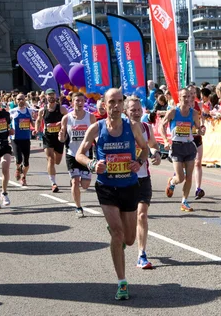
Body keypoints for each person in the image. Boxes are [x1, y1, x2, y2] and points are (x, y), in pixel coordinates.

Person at [75, 88, 149, 300]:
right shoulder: (96, 128)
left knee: (130, 239)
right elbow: (80, 154)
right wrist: (91, 164)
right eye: (112, 102)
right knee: (117, 235)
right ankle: (122, 282)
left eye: (119, 102)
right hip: (107, 187)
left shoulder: (133, 126)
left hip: (129, 186)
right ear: (104, 105)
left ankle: (117, 229)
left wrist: (139, 162)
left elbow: (145, 149)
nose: (116, 106)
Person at [124, 95, 161, 269]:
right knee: (127, 218)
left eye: (139, 109)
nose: (137, 113)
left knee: (142, 215)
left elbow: (153, 144)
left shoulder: (147, 127)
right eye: (133, 110)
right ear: (126, 112)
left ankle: (141, 255)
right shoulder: (122, 129)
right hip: (125, 179)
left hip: (143, 177)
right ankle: (122, 235)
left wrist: (156, 153)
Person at [159, 88, 202, 212]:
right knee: (180, 178)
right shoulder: (173, 112)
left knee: (189, 177)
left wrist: (201, 130)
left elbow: (198, 129)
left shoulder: (194, 113)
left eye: (189, 96)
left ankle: (184, 201)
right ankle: (172, 181)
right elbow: (162, 125)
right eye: (184, 97)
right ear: (179, 98)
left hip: (189, 146)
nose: (188, 99)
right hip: (176, 147)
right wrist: (166, 141)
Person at [58, 92, 96, 217]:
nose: (79, 103)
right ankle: (78, 207)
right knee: (75, 181)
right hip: (71, 153)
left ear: (84, 102)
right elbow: (62, 137)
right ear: (72, 102)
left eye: (81, 100)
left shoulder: (90, 117)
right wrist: (61, 137)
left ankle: (76, 181)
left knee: (85, 185)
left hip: (86, 155)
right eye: (77, 101)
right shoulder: (66, 118)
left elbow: (96, 136)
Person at [35, 88, 68, 193]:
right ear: (46, 97)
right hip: (47, 137)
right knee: (50, 159)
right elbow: (38, 120)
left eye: (53, 95)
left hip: (59, 136)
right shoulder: (42, 110)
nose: (51, 97)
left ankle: (56, 157)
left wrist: (61, 125)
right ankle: (53, 183)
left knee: (57, 161)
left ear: (56, 96)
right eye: (49, 95)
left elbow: (68, 120)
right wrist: (36, 130)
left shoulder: (62, 109)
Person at [10, 93, 35, 186]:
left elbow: (32, 122)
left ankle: (23, 177)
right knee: (19, 159)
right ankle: (17, 168)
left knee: (26, 161)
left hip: (26, 138)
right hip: (15, 138)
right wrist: (9, 129)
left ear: (25, 100)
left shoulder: (29, 111)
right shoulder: (12, 111)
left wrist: (35, 129)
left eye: (22, 99)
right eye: (18, 99)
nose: (21, 101)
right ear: (15, 101)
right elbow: (8, 123)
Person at [188, 85, 206, 200]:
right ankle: (174, 179)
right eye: (190, 93)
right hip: (186, 138)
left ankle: (198, 189)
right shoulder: (182, 107)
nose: (193, 95)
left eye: (194, 93)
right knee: (186, 166)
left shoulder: (199, 105)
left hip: (197, 137)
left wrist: (203, 127)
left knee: (198, 163)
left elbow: (202, 119)